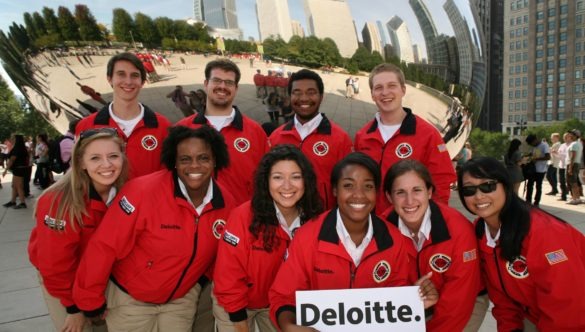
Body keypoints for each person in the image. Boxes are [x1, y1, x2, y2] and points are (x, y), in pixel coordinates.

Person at [73, 125, 236, 331]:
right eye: (185, 159)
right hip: (131, 300)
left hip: (180, 302)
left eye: (203, 158)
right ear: (174, 162)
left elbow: (223, 257)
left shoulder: (226, 203)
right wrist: (90, 300)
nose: (195, 166)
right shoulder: (142, 191)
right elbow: (104, 246)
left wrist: (196, 282)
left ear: (215, 160)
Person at [269, 152, 437, 330]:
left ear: (377, 192)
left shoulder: (393, 239)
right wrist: (287, 324)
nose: (358, 195)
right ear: (335, 189)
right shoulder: (307, 237)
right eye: (348, 185)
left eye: (368, 186)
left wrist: (414, 298)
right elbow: (283, 296)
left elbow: (396, 295)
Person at [457, 156, 585, 331]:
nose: (479, 196)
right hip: (534, 315)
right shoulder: (480, 231)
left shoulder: (544, 232)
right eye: (469, 190)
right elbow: (501, 294)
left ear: (506, 186)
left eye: (488, 186)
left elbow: (569, 305)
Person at [213, 145, 323, 332]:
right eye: (278, 177)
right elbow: (228, 273)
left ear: (306, 181)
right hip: (236, 304)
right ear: (266, 181)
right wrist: (239, 320)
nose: (287, 186)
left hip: (280, 307)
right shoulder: (243, 216)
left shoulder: (315, 218)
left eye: (295, 177)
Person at [29, 128, 128, 332]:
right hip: (63, 282)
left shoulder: (126, 193)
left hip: (98, 277)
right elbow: (54, 265)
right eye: (95, 158)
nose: (107, 164)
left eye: (113, 156)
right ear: (81, 163)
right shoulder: (59, 202)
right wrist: (73, 309)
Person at [382, 159, 483, 331]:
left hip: (466, 300)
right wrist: (409, 298)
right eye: (400, 192)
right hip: (410, 302)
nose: (409, 200)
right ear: (389, 197)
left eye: (417, 190)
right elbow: (380, 285)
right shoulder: (380, 229)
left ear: (429, 192)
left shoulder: (458, 230)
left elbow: (458, 301)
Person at [354, 63, 455, 215]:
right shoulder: (362, 136)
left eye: (392, 86)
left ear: (403, 90)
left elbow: (441, 183)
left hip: (410, 222)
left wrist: (432, 221)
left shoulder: (428, 135)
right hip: (373, 223)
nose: (385, 92)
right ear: (373, 94)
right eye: (379, 88)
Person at [176, 59, 269, 206]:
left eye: (229, 82)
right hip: (194, 219)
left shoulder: (255, 131)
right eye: (217, 80)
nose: (222, 86)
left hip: (240, 220)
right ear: (206, 84)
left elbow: (267, 178)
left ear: (236, 88)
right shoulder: (182, 129)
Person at [75, 52, 171, 179]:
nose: (128, 81)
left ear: (142, 82)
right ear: (110, 79)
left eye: (135, 76)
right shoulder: (86, 126)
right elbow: (80, 175)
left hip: (146, 199)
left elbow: (167, 176)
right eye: (121, 74)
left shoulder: (163, 126)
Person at [269, 69, 353, 209]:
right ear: (290, 96)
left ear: (321, 96)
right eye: (297, 92)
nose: (303, 98)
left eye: (311, 92)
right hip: (284, 218)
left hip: (323, 220)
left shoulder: (340, 139)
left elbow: (349, 185)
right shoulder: (275, 137)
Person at [2, 134, 29, 209]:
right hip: (20, 169)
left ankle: (22, 203)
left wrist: (5, 170)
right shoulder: (20, 147)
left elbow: (12, 159)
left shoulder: (17, 148)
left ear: (17, 140)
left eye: (13, 138)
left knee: (18, 186)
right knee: (14, 186)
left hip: (19, 169)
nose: (11, 139)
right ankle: (13, 201)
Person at [524, 134, 550, 206]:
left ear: (535, 140)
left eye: (531, 143)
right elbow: (532, 154)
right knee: (530, 185)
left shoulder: (544, 145)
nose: (531, 145)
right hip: (533, 169)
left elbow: (548, 157)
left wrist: (536, 159)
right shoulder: (534, 147)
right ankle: (528, 200)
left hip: (540, 169)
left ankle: (536, 202)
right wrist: (527, 156)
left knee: (538, 186)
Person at [565, 129, 583, 205]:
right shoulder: (578, 143)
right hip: (576, 164)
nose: (570, 135)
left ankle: (575, 198)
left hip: (572, 164)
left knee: (572, 182)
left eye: (571, 134)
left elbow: (573, 156)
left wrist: (570, 167)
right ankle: (577, 198)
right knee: (574, 181)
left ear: (575, 136)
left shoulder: (574, 144)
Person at [557, 133, 570, 201]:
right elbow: (559, 155)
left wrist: (560, 154)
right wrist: (556, 154)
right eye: (564, 137)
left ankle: (574, 196)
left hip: (567, 165)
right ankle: (563, 195)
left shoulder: (571, 145)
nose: (565, 138)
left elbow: (568, 155)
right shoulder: (562, 145)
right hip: (561, 165)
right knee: (561, 181)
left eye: (566, 137)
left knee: (569, 181)